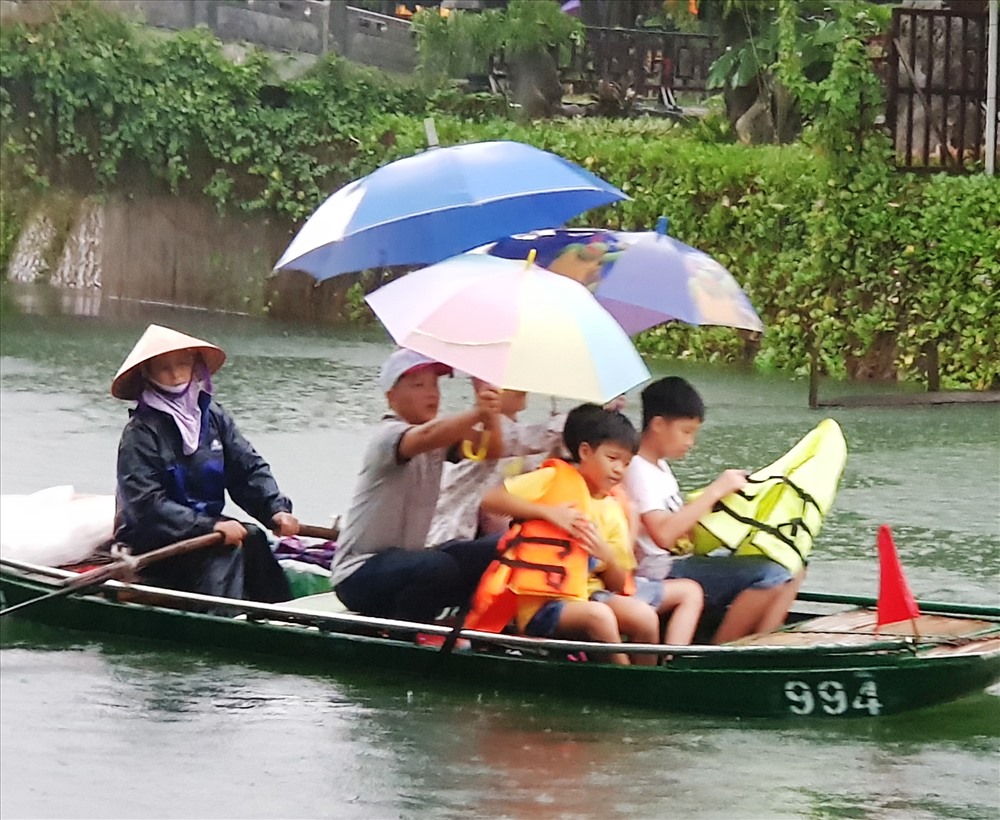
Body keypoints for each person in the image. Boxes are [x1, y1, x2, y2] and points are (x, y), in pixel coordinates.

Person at [472, 405, 699, 664]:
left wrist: (607, 556)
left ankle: (649, 679)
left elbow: (618, 584)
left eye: (626, 463)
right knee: (599, 616)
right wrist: (547, 512)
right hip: (540, 604)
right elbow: (491, 499)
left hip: (589, 594)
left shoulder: (614, 509)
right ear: (585, 452)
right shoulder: (551, 478)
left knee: (643, 616)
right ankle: (627, 681)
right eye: (612, 458)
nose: (618, 470)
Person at [112, 324, 298, 602]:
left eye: (182, 364)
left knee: (255, 537)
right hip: (154, 544)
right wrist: (207, 526)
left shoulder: (213, 417)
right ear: (147, 374)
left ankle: (285, 615)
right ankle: (224, 622)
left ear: (195, 366)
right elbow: (146, 505)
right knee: (228, 551)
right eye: (164, 368)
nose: (175, 375)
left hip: (208, 532)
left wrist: (275, 508)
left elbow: (247, 468)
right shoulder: (140, 433)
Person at [328, 348, 504, 623]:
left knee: (503, 546)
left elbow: (492, 450)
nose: (432, 393)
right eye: (418, 385)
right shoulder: (388, 436)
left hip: (409, 564)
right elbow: (426, 436)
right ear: (391, 397)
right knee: (437, 566)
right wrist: (477, 412)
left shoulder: (439, 436)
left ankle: (467, 626)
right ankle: (407, 632)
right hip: (358, 575)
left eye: (435, 384)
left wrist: (490, 410)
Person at [623, 376, 803, 644]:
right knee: (774, 573)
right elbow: (662, 534)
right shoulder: (637, 468)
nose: (691, 442)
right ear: (658, 424)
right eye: (686, 431)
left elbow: (682, 528)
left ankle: (765, 640)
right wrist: (715, 490)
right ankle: (724, 648)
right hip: (659, 571)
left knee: (795, 563)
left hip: (680, 560)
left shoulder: (660, 467)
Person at [426, 380, 566, 546]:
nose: (520, 387)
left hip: (482, 534)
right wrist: (571, 425)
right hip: (447, 538)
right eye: (505, 382)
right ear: (480, 387)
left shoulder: (521, 437)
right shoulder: (473, 429)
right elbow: (510, 442)